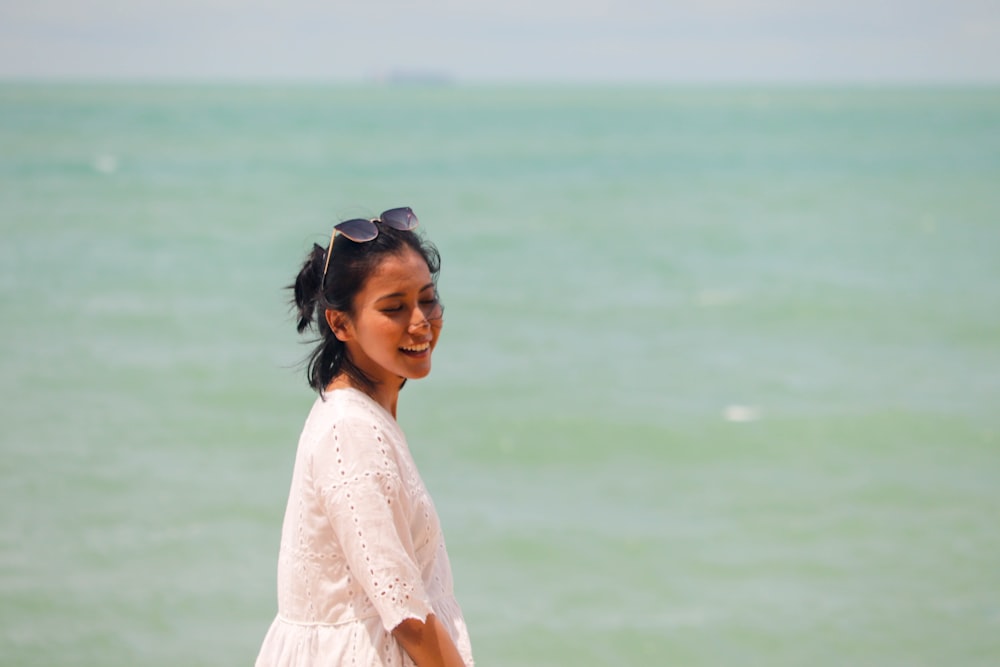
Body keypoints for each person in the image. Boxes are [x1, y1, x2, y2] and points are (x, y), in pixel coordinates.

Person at [255, 207, 474, 667]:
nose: (420, 322)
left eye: (428, 299)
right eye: (393, 308)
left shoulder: (364, 418)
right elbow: (406, 614)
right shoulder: (349, 433)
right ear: (340, 324)